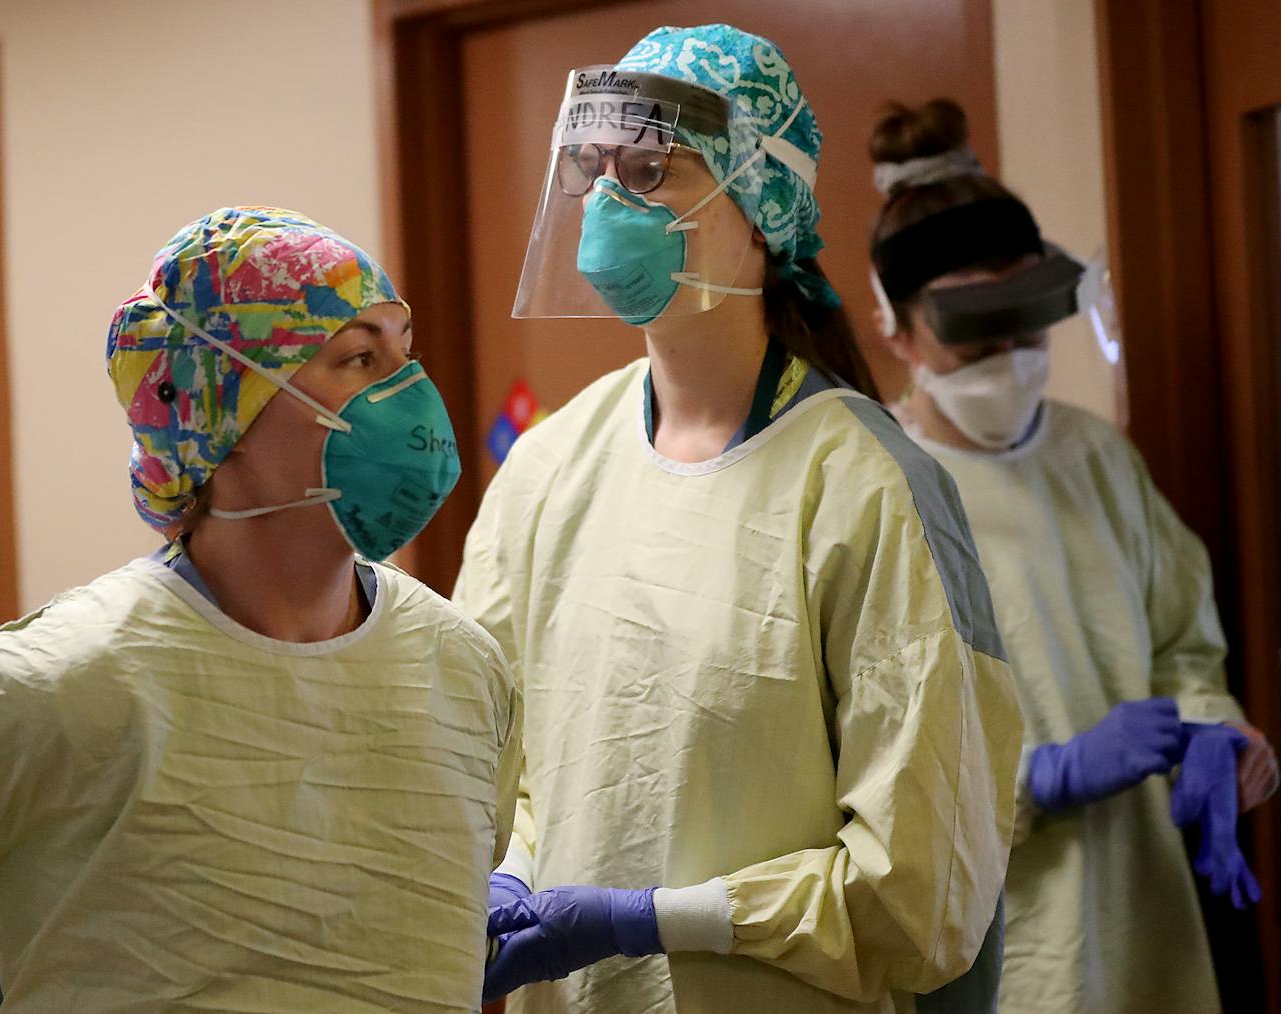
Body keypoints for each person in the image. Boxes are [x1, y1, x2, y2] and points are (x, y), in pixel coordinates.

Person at [454, 26, 1023, 1014]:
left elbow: (924, 893)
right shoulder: (546, 471)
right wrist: (509, 866)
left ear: (758, 208)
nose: (604, 200)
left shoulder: (865, 486)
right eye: (592, 168)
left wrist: (660, 920)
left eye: (648, 170)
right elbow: (496, 752)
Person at [0, 206, 521, 1013]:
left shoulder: (461, 666)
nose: (410, 394)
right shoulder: (74, 683)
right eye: (357, 358)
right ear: (218, 415)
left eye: (402, 353)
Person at [865, 99, 1279, 1014]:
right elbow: (866, 769)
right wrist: (1036, 779)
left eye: (1028, 324)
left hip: (1145, 924)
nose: (1010, 358)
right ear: (896, 325)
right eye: (977, 333)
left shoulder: (1095, 459)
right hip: (999, 950)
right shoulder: (874, 491)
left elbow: (1183, 642)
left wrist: (1215, 730)